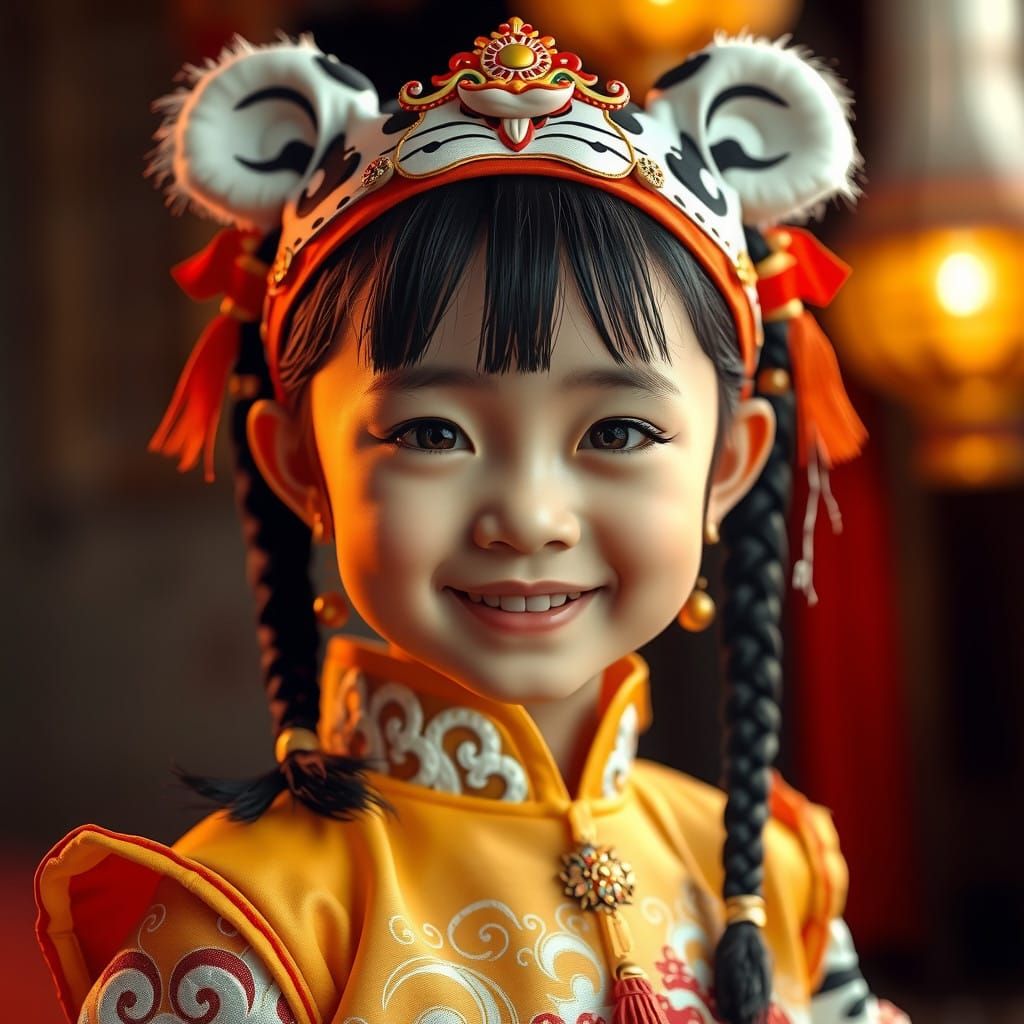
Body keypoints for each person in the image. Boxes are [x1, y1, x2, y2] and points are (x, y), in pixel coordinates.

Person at [34, 17, 909, 1024]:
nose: (528, 515)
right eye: (435, 433)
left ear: (730, 465)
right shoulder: (247, 921)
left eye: (618, 430)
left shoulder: (777, 886)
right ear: (297, 465)